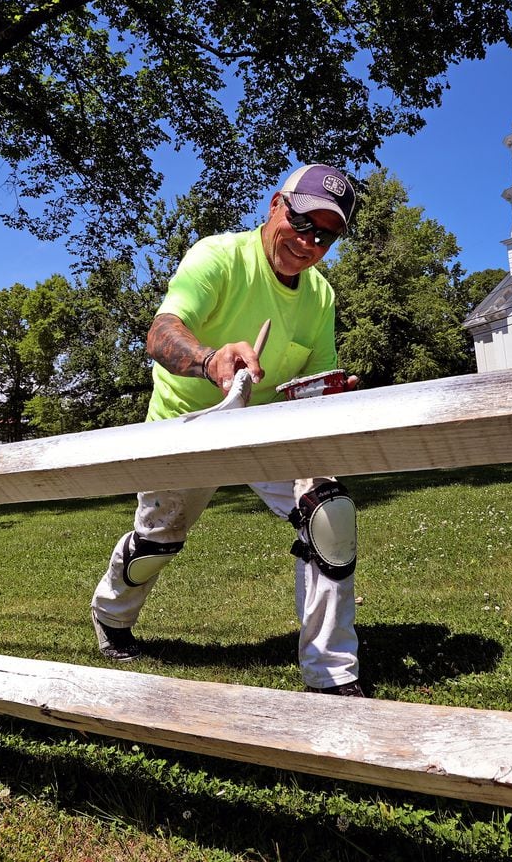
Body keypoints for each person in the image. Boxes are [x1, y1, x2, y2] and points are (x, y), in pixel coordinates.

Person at [90, 164, 365, 696]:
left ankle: (331, 676)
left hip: (267, 426)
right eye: (303, 220)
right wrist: (211, 359)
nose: (307, 242)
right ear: (275, 205)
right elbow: (160, 335)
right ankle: (111, 616)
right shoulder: (217, 255)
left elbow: (311, 380)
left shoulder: (321, 296)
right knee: (157, 542)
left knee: (329, 514)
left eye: (325, 234)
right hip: (188, 422)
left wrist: (328, 394)